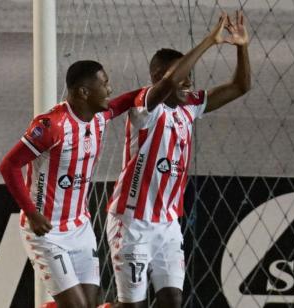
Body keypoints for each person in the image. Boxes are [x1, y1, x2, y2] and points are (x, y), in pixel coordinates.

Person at [106, 11, 251, 308]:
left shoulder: (191, 106)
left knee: (172, 300)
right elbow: (170, 83)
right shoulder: (144, 108)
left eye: (189, 79)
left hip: (168, 224)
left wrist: (242, 47)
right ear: (160, 78)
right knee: (132, 304)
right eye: (182, 78)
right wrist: (210, 41)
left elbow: (240, 87)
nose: (188, 84)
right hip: (132, 220)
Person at [0, 60, 140, 308]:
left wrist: (163, 84)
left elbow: (126, 101)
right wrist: (32, 213)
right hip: (46, 232)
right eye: (104, 84)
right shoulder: (51, 126)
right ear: (83, 92)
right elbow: (9, 166)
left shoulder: (99, 117)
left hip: (80, 228)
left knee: (90, 303)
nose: (109, 89)